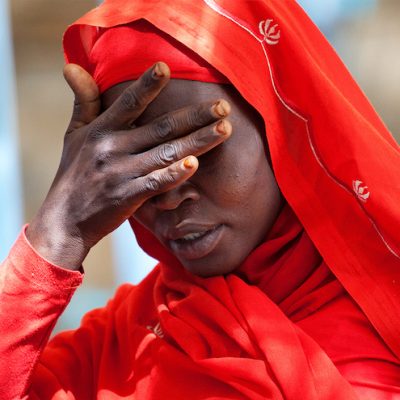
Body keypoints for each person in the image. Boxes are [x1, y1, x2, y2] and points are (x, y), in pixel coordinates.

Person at [1, 0, 399, 398]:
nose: (169, 196)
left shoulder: (385, 314)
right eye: (138, 167)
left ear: (280, 126)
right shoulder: (118, 344)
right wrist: (56, 235)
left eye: (203, 150)